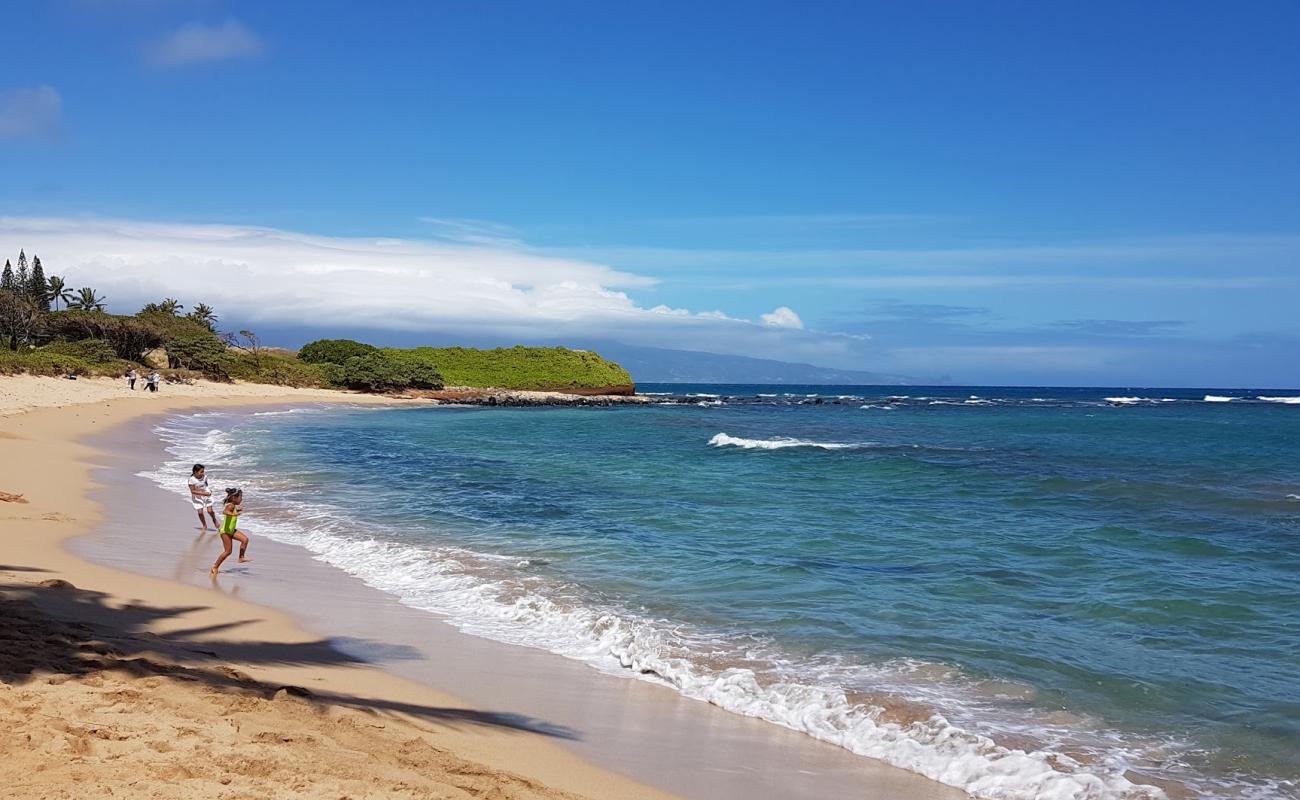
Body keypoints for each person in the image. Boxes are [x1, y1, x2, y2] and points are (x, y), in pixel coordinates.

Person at [211, 488, 251, 576]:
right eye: (240, 497)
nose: (241, 499)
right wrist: (234, 514)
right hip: (225, 531)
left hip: (231, 530)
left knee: (245, 539)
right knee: (228, 552)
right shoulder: (231, 506)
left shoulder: (233, 506)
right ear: (234, 498)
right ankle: (215, 566)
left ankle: (241, 557)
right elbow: (225, 511)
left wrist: (237, 511)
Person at [188, 463, 220, 531]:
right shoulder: (191, 479)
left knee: (210, 511)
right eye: (201, 471)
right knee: (200, 512)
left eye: (203, 471)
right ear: (195, 472)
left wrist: (208, 490)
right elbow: (192, 491)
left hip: (206, 493)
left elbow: (206, 484)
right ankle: (204, 525)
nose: (203, 473)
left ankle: (214, 519)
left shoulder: (205, 477)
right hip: (197, 496)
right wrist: (204, 493)